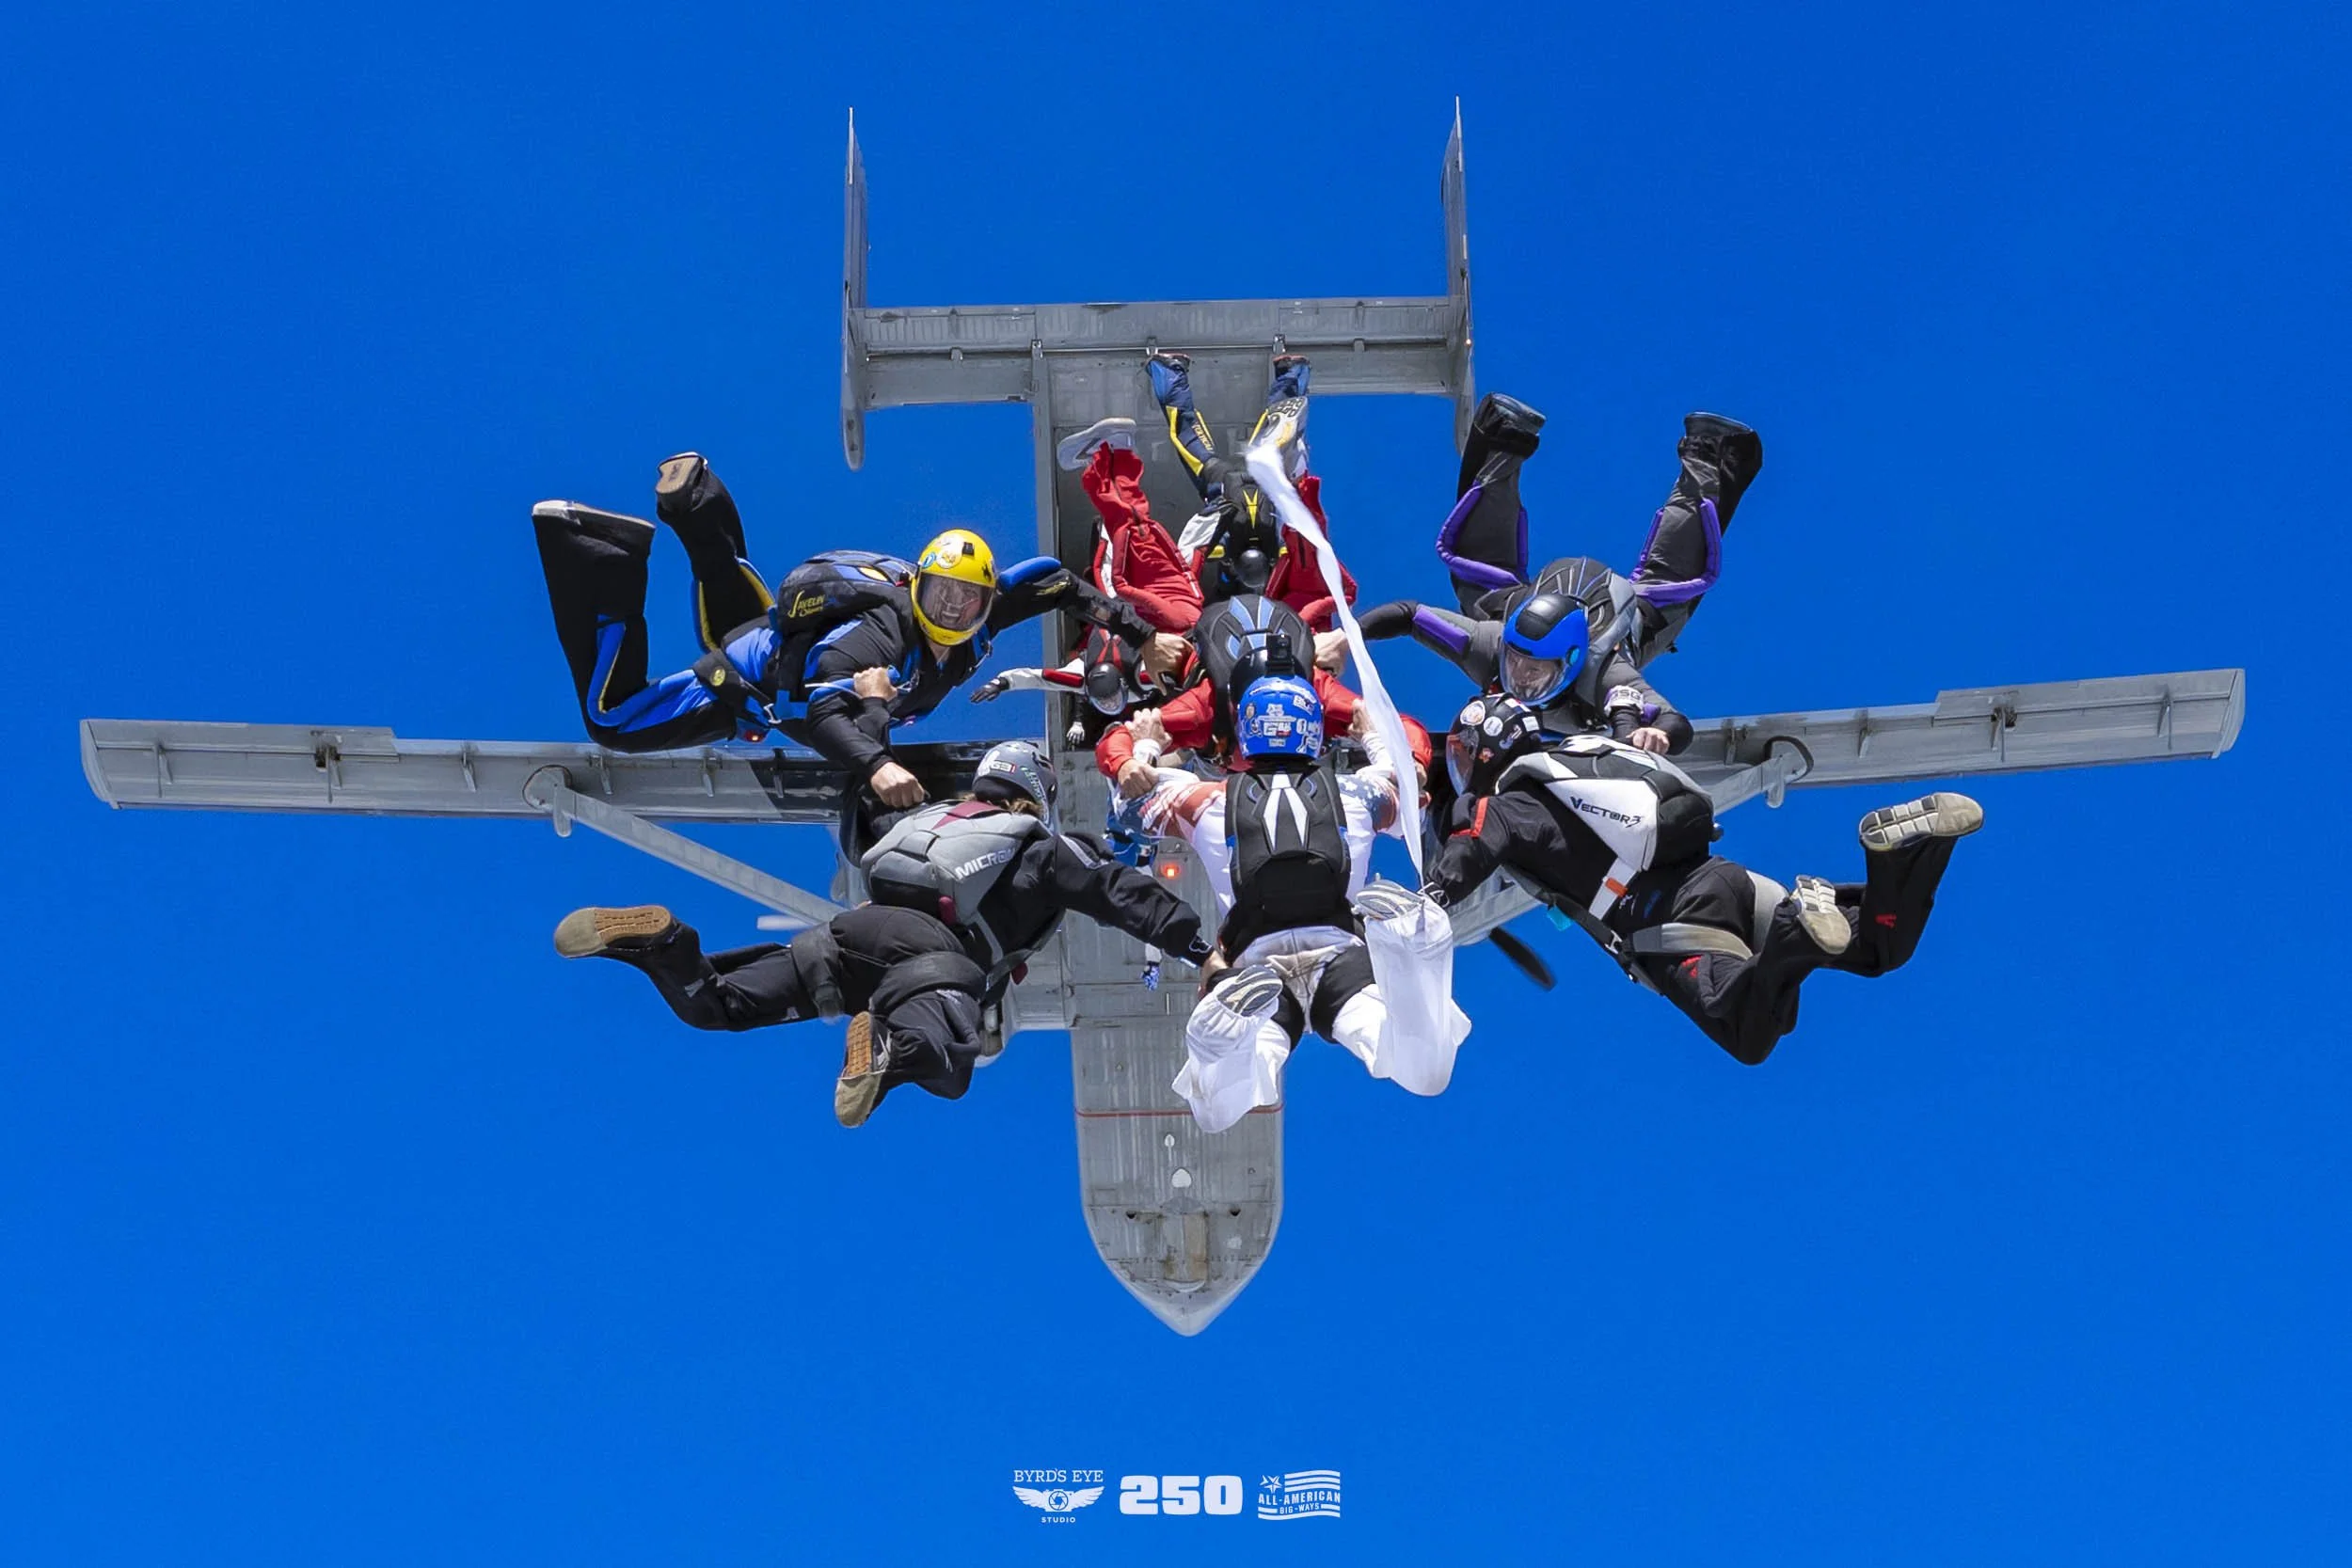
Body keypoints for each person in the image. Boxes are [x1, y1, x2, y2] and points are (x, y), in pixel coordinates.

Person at [532, 451, 1161, 811]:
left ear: (986, 598)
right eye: (940, 594)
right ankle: (595, 550)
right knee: (611, 719)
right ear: (917, 584)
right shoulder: (883, 634)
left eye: (965, 601)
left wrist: (1138, 634)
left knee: (732, 617)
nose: (949, 612)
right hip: (748, 684)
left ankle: (695, 499)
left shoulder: (984, 614)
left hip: (773, 652)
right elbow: (831, 711)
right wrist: (878, 766)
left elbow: (1054, 582)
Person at [1427, 693, 1981, 1065]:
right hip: (1724, 877)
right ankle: (1904, 856)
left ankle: (1797, 927)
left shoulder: (1512, 801)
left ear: (1484, 752)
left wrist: (1429, 900)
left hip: (1669, 915)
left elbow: (1475, 840)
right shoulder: (1583, 753)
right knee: (1877, 947)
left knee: (1747, 1032)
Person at [1124, 660, 1468, 1132]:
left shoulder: (1205, 801)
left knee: (1219, 1109)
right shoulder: (1355, 794)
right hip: (1342, 954)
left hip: (1257, 967)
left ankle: (1215, 1043)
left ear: (1247, 732)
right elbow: (1404, 787)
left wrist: (1145, 743)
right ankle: (1415, 947)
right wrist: (1370, 734)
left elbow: (1129, 802)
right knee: (1425, 1072)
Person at [550, 900, 990, 1129]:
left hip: (839, 944)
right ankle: (886, 1051)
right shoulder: (1027, 851)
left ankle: (665, 943)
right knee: (952, 1072)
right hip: (928, 956)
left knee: (720, 1007)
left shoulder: (928, 829)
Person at [857, 739, 1213, 1000]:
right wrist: (1201, 953)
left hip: (862, 933)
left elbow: (867, 823)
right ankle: (891, 1049)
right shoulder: (1045, 850)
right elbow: (1122, 893)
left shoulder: (930, 818)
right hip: (943, 962)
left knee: (813, 968)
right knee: (945, 1060)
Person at [1434, 392, 1763, 657]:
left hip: (1544, 634)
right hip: (1597, 638)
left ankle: (1502, 439)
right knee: (1668, 591)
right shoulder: (1610, 677)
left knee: (1480, 578)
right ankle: (1502, 439)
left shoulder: (1507, 663)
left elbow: (1412, 616)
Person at [1147, 352, 1358, 626]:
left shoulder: (1275, 546)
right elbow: (1186, 556)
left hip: (1259, 480)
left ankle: (1292, 371)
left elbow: (1300, 542)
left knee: (1281, 431)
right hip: (1224, 482)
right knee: (1186, 432)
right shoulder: (1232, 542)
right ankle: (1170, 371)